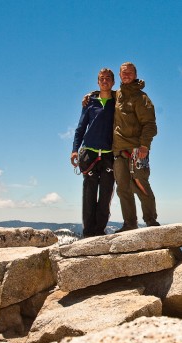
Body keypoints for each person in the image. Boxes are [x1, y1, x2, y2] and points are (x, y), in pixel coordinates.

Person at [112, 62, 160, 232]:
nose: (127, 75)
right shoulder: (116, 95)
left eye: (130, 73)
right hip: (118, 150)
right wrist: (90, 95)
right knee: (123, 188)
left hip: (137, 150)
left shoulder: (141, 98)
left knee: (140, 184)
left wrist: (145, 146)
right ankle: (129, 223)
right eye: (124, 73)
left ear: (135, 74)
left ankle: (151, 220)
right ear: (119, 75)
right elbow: (102, 95)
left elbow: (150, 124)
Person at [71, 68, 116, 238]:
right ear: (98, 82)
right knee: (89, 195)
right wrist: (74, 150)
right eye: (101, 79)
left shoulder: (117, 101)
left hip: (109, 154)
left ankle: (99, 231)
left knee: (105, 195)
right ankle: (88, 233)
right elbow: (81, 127)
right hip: (89, 153)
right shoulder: (90, 102)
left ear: (113, 82)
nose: (104, 81)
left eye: (108, 78)